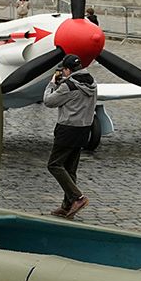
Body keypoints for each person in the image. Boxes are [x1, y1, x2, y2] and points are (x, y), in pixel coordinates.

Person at [42, 54, 96, 218]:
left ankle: (78, 198)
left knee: (54, 165)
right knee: (70, 168)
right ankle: (67, 206)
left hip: (67, 129)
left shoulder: (68, 86)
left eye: (64, 70)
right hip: (84, 129)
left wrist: (52, 83)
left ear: (67, 69)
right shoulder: (92, 83)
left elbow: (49, 101)